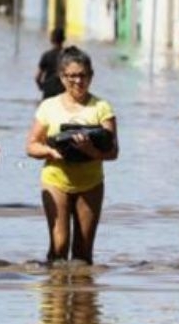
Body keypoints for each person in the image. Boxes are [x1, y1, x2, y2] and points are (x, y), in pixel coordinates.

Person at [25, 47, 118, 265]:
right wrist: (50, 151)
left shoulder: (102, 107)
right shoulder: (49, 106)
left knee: (83, 254)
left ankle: (82, 298)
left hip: (91, 183)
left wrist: (91, 151)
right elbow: (31, 146)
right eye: (72, 76)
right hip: (55, 180)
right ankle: (54, 296)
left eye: (83, 75)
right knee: (59, 246)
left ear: (91, 76)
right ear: (61, 76)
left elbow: (113, 151)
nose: (78, 81)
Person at [35, 27, 66, 99]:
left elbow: (37, 77)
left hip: (48, 90)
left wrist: (41, 87)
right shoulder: (68, 56)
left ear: (51, 40)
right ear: (64, 39)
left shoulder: (46, 55)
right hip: (62, 91)